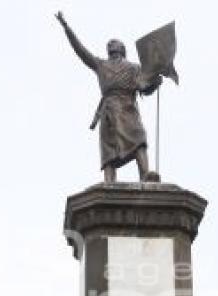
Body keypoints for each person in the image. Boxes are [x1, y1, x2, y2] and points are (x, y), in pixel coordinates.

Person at [55, 11, 162, 183]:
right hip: (109, 110)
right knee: (109, 150)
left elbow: (143, 87)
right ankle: (109, 182)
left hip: (127, 107)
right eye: (109, 43)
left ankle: (145, 174)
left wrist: (154, 83)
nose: (111, 43)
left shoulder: (133, 68)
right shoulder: (100, 65)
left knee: (138, 137)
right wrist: (67, 28)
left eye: (115, 42)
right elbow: (80, 50)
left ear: (122, 49)